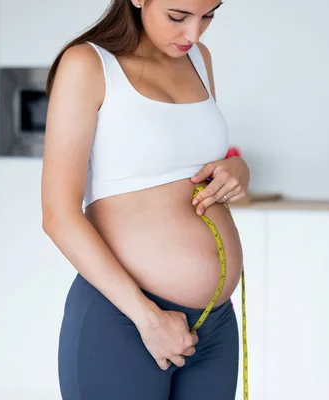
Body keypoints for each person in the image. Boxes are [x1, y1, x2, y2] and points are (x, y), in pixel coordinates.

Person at [41, 0, 250, 398]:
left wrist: (237, 170)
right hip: (125, 319)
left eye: (208, 16)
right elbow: (58, 215)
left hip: (216, 325)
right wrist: (147, 318)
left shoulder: (198, 60)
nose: (194, 34)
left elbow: (190, 160)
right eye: (178, 16)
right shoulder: (88, 65)